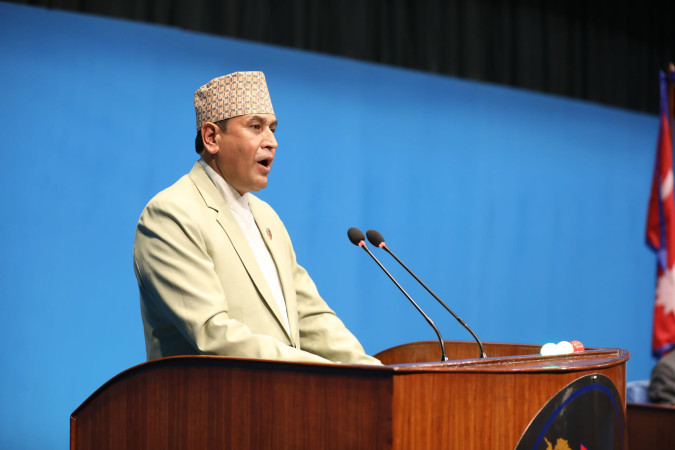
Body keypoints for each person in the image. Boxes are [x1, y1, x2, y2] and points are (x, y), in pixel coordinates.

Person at [133, 71, 380, 365]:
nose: (272, 141)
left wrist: (370, 372)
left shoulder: (266, 217)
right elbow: (214, 334)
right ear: (211, 137)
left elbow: (309, 316)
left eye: (272, 128)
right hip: (212, 394)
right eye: (255, 127)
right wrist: (326, 371)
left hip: (284, 390)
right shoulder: (172, 214)